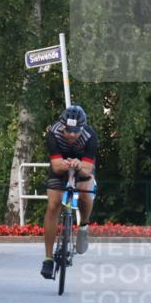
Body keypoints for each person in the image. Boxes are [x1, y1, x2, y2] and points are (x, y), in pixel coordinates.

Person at [41, 105, 98, 280]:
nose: (72, 135)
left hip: (82, 166)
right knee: (53, 205)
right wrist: (66, 165)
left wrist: (79, 166)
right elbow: (57, 167)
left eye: (76, 131)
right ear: (62, 126)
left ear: (82, 128)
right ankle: (48, 259)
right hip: (60, 165)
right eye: (68, 130)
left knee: (84, 194)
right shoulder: (53, 133)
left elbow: (88, 170)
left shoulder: (90, 136)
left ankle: (83, 226)